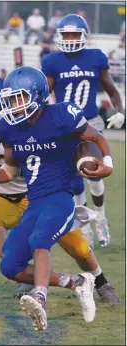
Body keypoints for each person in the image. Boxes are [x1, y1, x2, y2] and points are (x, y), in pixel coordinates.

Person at [0, 66, 115, 331]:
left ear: (37, 95)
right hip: (34, 201)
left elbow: (95, 137)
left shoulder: (62, 114)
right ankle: (76, 282)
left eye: (19, 98)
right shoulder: (10, 128)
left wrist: (107, 163)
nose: (13, 106)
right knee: (10, 266)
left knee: (40, 241)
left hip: (60, 196)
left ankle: (40, 297)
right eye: (10, 100)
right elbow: (12, 169)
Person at [0, 105, 120, 305]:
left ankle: (101, 282)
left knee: (79, 248)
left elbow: (87, 139)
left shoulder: (46, 120)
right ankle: (29, 277)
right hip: (4, 194)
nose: (16, 107)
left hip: (43, 194)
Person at [41, 14, 125, 248]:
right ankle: (85, 225)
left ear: (84, 36)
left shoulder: (96, 58)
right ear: (59, 36)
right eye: (65, 34)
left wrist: (120, 110)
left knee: (93, 174)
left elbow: (111, 88)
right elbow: (44, 94)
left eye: (74, 34)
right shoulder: (52, 61)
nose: (69, 38)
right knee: (74, 177)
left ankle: (102, 218)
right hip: (63, 123)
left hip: (90, 121)